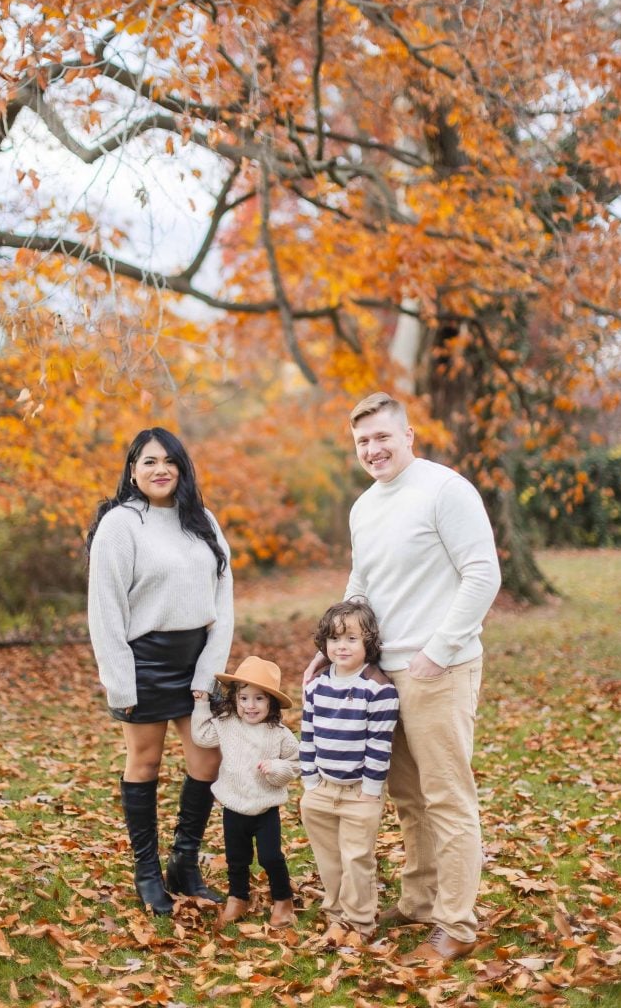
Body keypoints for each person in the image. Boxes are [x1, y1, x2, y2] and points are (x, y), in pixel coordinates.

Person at [304, 393, 501, 963]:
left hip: (438, 668)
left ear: (408, 435)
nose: (373, 449)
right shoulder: (364, 507)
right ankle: (418, 901)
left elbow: (482, 573)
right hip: (380, 677)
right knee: (408, 797)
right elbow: (360, 584)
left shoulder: (445, 489)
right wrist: (333, 648)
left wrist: (439, 650)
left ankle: (457, 925)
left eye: (383, 437)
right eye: (363, 441)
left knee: (447, 797)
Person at [87, 426, 233, 916]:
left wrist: (208, 672)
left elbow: (224, 603)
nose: (160, 469)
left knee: (207, 762)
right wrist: (119, 681)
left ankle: (184, 863)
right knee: (145, 764)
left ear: (182, 467)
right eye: (149, 461)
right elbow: (104, 609)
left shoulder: (202, 522)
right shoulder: (121, 524)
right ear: (133, 470)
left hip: (196, 659)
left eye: (169, 460)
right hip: (143, 661)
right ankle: (147, 871)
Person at [300, 599, 399, 943]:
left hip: (360, 791)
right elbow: (308, 733)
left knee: (357, 859)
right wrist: (310, 781)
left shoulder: (379, 689)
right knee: (329, 858)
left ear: (368, 642)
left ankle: (360, 922)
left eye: (352, 639)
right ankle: (336, 915)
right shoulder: (316, 686)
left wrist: (371, 790)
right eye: (335, 638)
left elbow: (379, 744)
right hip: (322, 788)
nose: (341, 646)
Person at [191, 656, 299, 928]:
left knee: (270, 857)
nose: (251, 706)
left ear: (271, 702)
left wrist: (276, 768)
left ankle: (283, 900)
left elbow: (296, 764)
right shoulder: (227, 724)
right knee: (237, 859)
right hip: (234, 807)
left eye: (259, 699)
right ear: (235, 699)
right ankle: (238, 898)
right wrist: (201, 704)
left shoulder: (279, 734)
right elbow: (202, 736)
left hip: (265, 808)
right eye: (244, 698)